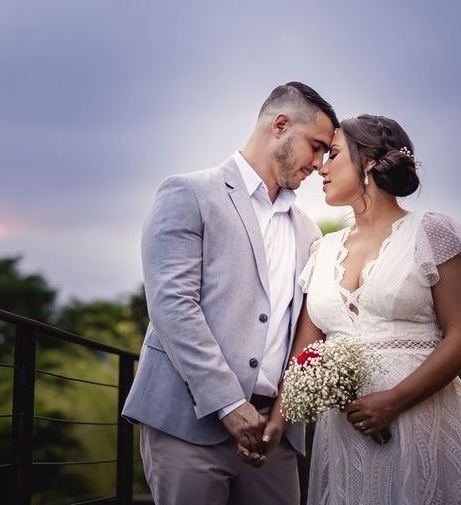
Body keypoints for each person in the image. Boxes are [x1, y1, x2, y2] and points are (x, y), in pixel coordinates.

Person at [122, 82, 338, 504]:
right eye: (315, 146)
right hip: (187, 424)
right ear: (280, 125)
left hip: (272, 438)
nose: (319, 162)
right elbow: (172, 307)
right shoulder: (189, 193)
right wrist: (227, 404)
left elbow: (302, 336)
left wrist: (280, 418)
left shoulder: (309, 230)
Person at [290, 114, 461, 504]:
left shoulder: (432, 232)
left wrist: (396, 399)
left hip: (423, 420)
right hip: (345, 433)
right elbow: (305, 353)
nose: (321, 166)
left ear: (368, 160)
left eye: (333, 154)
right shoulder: (322, 251)